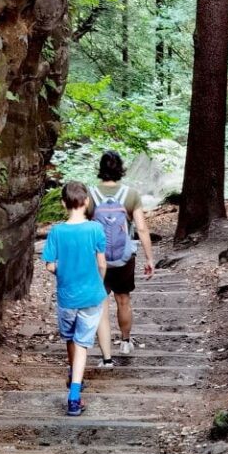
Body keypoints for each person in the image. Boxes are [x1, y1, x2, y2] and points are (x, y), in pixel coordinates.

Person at [42, 181, 107, 416]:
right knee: (81, 344)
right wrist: (99, 281)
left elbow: (49, 266)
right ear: (87, 202)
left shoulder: (56, 232)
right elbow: (101, 263)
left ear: (63, 203)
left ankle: (73, 375)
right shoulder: (96, 229)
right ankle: (74, 397)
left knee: (70, 338)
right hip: (91, 296)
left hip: (66, 297)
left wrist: (63, 269)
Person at [88, 151, 155, 362]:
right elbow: (142, 229)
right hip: (124, 258)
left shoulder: (89, 195)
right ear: (120, 169)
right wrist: (149, 258)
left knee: (100, 303)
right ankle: (125, 342)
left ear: (100, 169)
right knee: (123, 300)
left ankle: (105, 351)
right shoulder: (131, 194)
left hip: (98, 259)